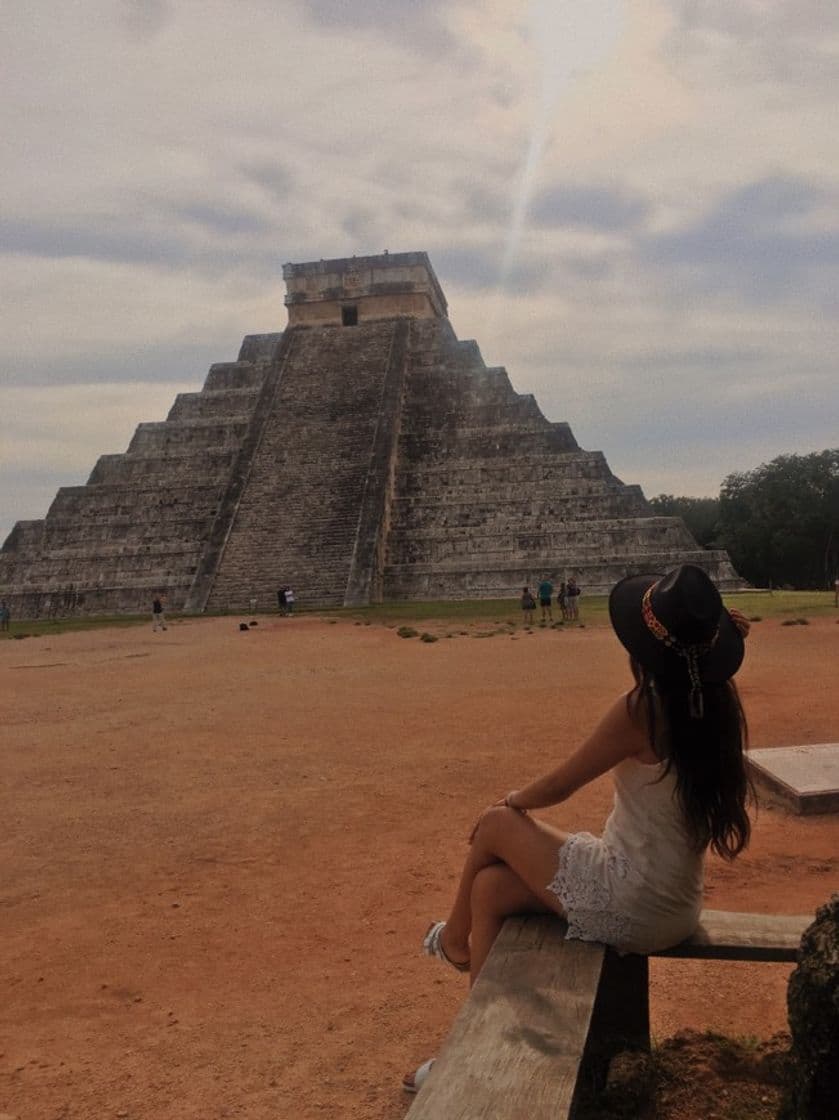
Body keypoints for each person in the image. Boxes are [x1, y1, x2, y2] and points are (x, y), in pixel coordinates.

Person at [403, 564, 752, 1094]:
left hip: (632, 900)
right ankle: (468, 1041)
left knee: (497, 823)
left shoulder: (643, 709)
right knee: (490, 889)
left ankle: (454, 942)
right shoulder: (715, 703)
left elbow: (560, 784)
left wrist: (512, 801)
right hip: (676, 905)